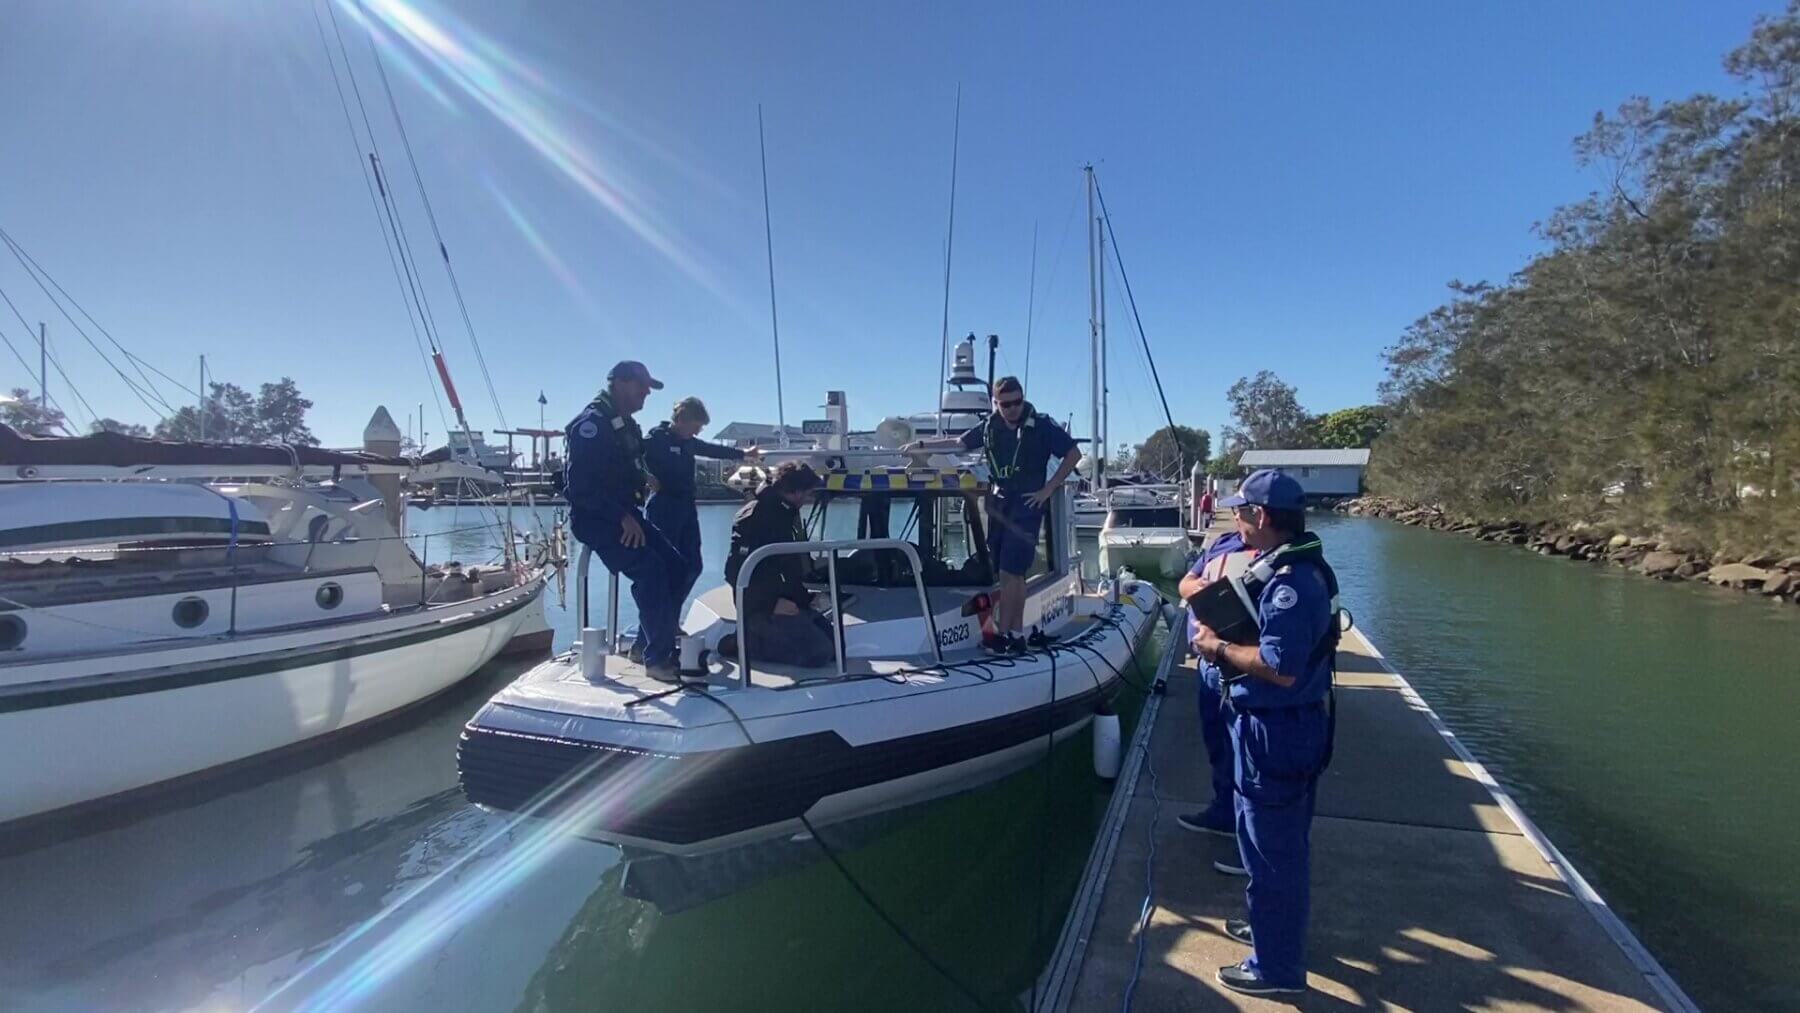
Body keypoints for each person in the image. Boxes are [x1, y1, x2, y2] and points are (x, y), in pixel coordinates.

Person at [1190, 469, 1338, 997]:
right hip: (1278, 730)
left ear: (1262, 517)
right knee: (1271, 848)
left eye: (1241, 511)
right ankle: (1275, 938)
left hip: (1276, 734)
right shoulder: (1294, 565)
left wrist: (1218, 650)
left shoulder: (1290, 585)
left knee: (1273, 851)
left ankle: (1276, 969)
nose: (1234, 519)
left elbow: (1281, 668)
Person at [903, 376, 1080, 653]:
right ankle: (1007, 632)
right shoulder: (989, 427)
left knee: (1014, 571)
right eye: (1006, 404)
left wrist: (1048, 489)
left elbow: (1073, 454)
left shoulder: (1042, 426)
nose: (1012, 409)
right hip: (999, 503)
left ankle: (1013, 632)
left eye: (1017, 402)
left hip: (1026, 505)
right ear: (996, 404)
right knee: (1004, 572)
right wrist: (922, 446)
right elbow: (960, 443)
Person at [563, 360, 691, 681]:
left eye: (649, 387)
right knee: (651, 572)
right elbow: (579, 487)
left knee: (677, 567)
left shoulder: (624, 423)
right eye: (641, 386)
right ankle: (658, 660)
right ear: (618, 383)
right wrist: (620, 516)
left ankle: (644, 645)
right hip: (599, 519)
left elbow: (620, 467)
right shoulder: (592, 425)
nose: (646, 393)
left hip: (625, 515)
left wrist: (645, 478)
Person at [639, 397, 759, 658]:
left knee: (692, 565)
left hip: (685, 506)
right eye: (695, 425)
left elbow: (710, 449)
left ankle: (669, 622)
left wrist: (742, 455)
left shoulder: (688, 442)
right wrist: (644, 476)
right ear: (681, 418)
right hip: (663, 507)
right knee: (660, 571)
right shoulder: (655, 439)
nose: (697, 432)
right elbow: (628, 455)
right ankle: (645, 639)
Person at [1174, 527, 1257, 845]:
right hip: (1209, 667)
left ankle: (1250, 840)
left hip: (1240, 667)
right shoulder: (1224, 541)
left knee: (1247, 753)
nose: (1237, 516)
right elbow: (1185, 584)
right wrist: (1202, 587)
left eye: (1243, 509)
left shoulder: (1278, 554)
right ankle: (1223, 812)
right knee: (1218, 742)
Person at [724, 460, 835, 668]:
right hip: (761, 608)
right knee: (819, 652)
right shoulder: (755, 517)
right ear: (797, 492)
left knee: (837, 647)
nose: (808, 499)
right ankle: (743, 642)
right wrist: (771, 604)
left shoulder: (784, 514)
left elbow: (787, 567)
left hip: (785, 601)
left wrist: (806, 599)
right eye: (809, 493)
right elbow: (734, 571)